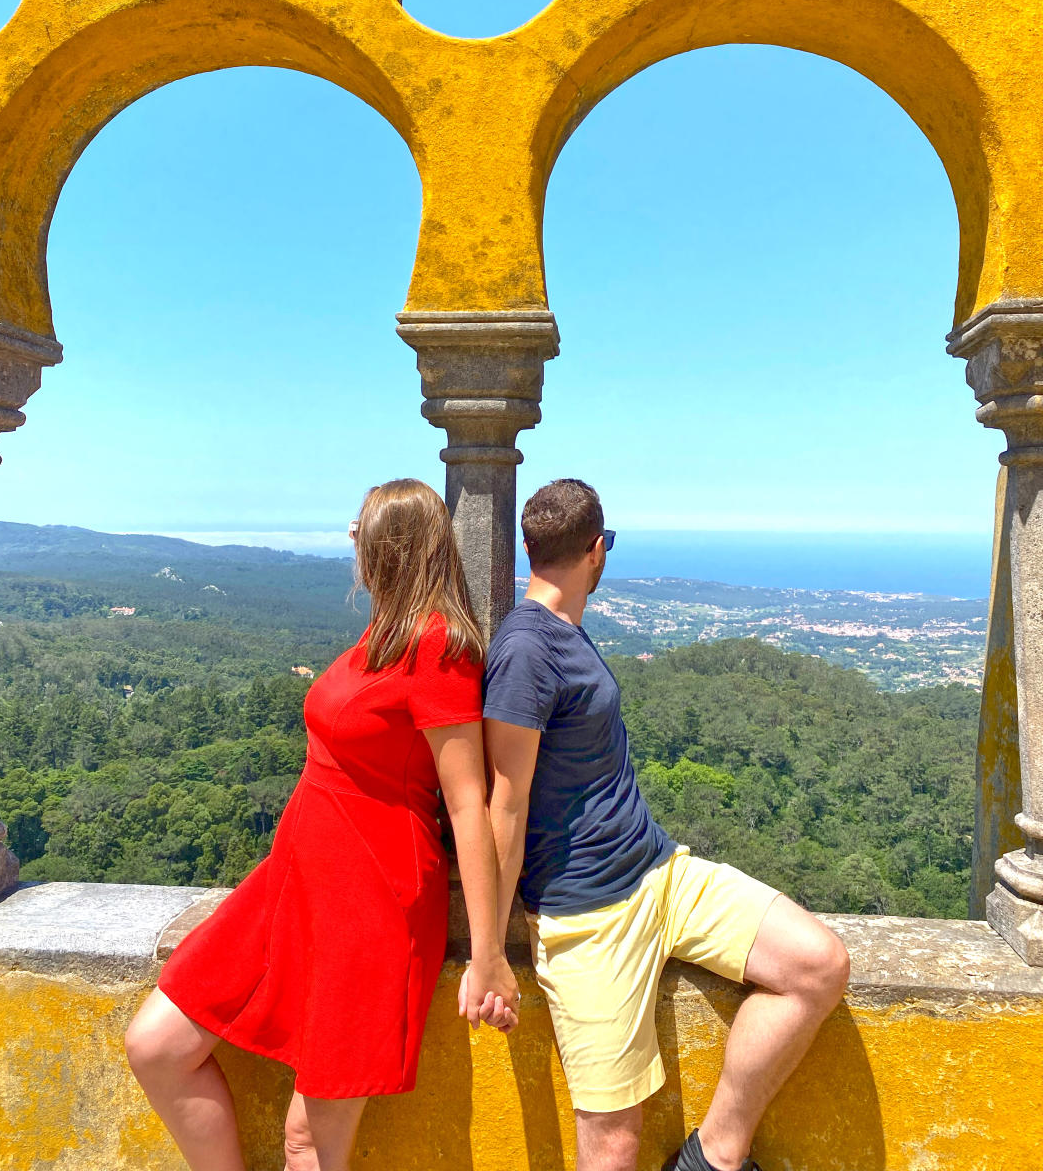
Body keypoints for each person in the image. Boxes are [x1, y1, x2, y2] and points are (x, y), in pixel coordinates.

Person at [125, 478, 519, 1171]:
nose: (349, 539)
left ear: (389, 548)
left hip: (371, 907)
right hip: (297, 890)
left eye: (361, 531)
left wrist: (487, 954)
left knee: (308, 1142)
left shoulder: (440, 648)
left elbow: (468, 803)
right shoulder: (385, 633)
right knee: (156, 1047)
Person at [483, 479, 850, 1171]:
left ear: (529, 551)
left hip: (660, 872)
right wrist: (491, 951)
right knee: (614, 1144)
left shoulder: (563, 629)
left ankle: (713, 1156)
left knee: (816, 965)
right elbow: (505, 802)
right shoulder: (526, 650)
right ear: (597, 551)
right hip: (589, 916)